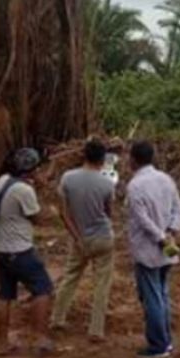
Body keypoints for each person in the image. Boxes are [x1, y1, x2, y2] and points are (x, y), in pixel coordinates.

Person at [0, 147, 56, 357]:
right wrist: (50, 203)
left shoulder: (3, 181)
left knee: (4, 295)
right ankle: (40, 339)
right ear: (33, 169)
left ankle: (3, 344)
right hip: (19, 250)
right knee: (43, 290)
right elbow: (38, 218)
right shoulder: (24, 191)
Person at [50, 139, 117, 342]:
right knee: (101, 285)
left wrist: (77, 237)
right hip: (103, 238)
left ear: (83, 155)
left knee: (70, 277)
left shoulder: (68, 178)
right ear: (102, 159)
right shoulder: (106, 183)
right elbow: (108, 213)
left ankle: (57, 318)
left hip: (79, 237)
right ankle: (96, 329)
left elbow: (63, 213)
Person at [124, 140, 180, 358]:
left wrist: (160, 238)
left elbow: (143, 220)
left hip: (148, 248)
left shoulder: (135, 186)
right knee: (162, 293)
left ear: (133, 159)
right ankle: (165, 340)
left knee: (151, 297)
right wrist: (172, 232)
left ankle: (158, 344)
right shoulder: (165, 179)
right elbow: (179, 207)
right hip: (167, 244)